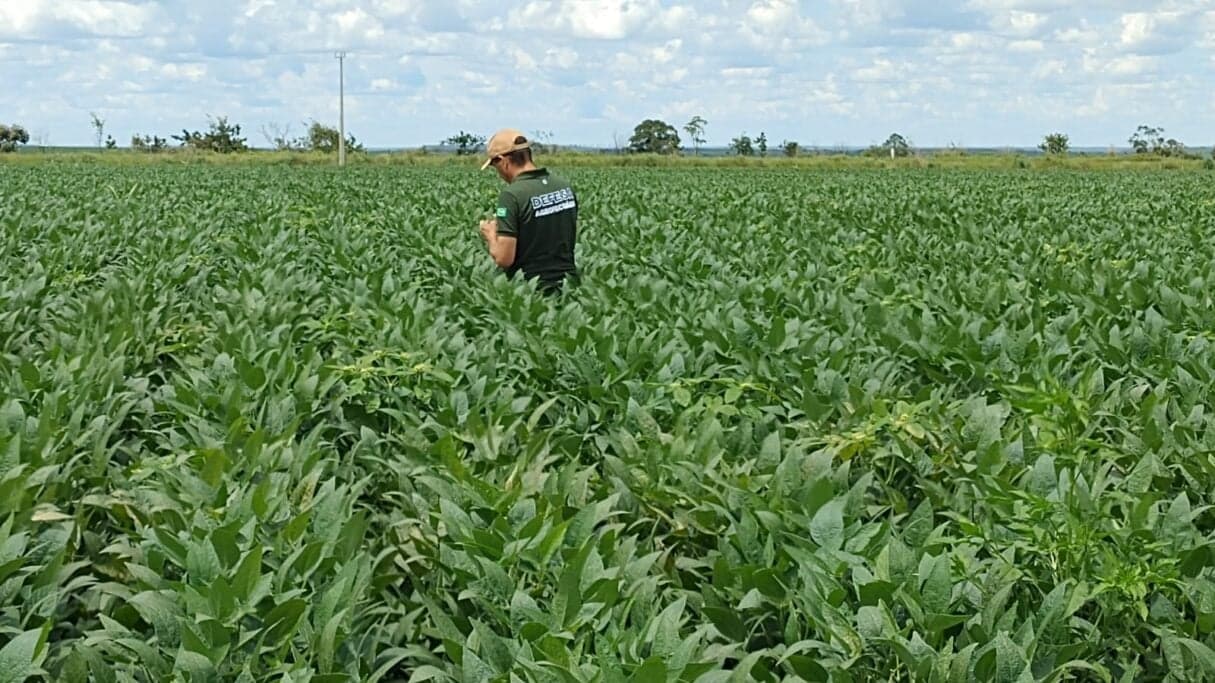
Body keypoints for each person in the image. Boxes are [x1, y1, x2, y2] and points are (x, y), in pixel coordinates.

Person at [478, 128, 579, 294]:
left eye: (495, 166)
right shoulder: (564, 187)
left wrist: (490, 234)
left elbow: (504, 259)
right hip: (569, 287)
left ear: (503, 161)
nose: (498, 174)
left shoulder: (511, 196)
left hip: (532, 292)